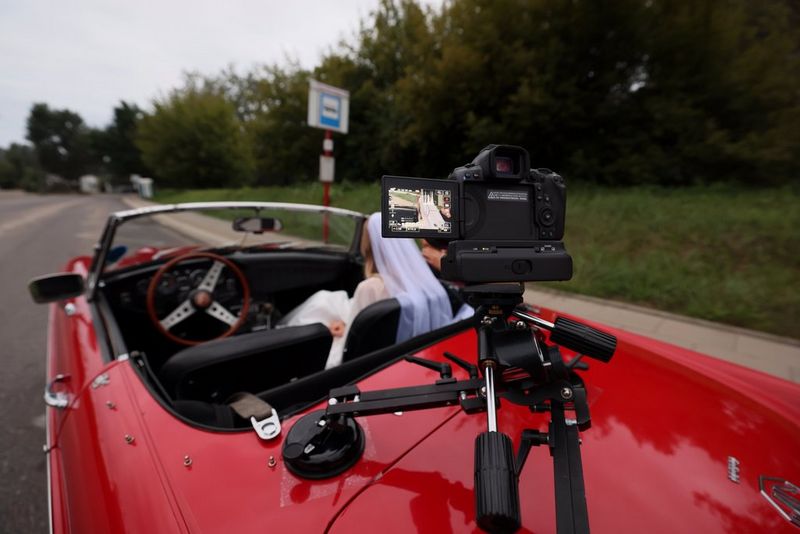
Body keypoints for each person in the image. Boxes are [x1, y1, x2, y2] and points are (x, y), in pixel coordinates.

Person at [279, 213, 471, 368]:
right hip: (410, 354)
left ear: (368, 246)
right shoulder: (428, 284)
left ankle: (279, 327)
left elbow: (353, 339)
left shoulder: (369, 287)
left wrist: (339, 330)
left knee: (321, 303)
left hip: (364, 357)